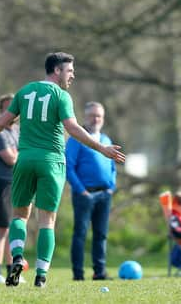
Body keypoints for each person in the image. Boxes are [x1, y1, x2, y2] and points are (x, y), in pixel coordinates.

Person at [0, 52, 125, 288]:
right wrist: (101, 148)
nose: (73, 75)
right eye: (70, 71)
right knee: (46, 221)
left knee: (19, 215)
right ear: (57, 70)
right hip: (51, 161)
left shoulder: (24, 91)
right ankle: (41, 276)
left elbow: (2, 122)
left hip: (25, 159)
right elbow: (72, 128)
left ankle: (17, 259)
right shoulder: (62, 96)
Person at [66, 101, 117, 281]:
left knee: (101, 234)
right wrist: (81, 191)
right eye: (92, 115)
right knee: (80, 234)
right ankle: (78, 274)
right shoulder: (76, 139)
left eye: (99, 116)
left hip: (105, 194)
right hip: (84, 194)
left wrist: (112, 187)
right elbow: (69, 167)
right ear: (85, 117)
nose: (96, 119)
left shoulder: (106, 140)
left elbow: (112, 166)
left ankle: (99, 272)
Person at [0, 94, 21, 284]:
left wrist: (19, 153)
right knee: (2, 229)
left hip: (18, 184)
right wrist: (20, 153)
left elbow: (22, 154)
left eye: (15, 109)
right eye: (9, 108)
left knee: (14, 228)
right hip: (2, 185)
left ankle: (11, 272)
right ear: (2, 111)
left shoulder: (18, 131)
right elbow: (11, 159)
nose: (13, 113)